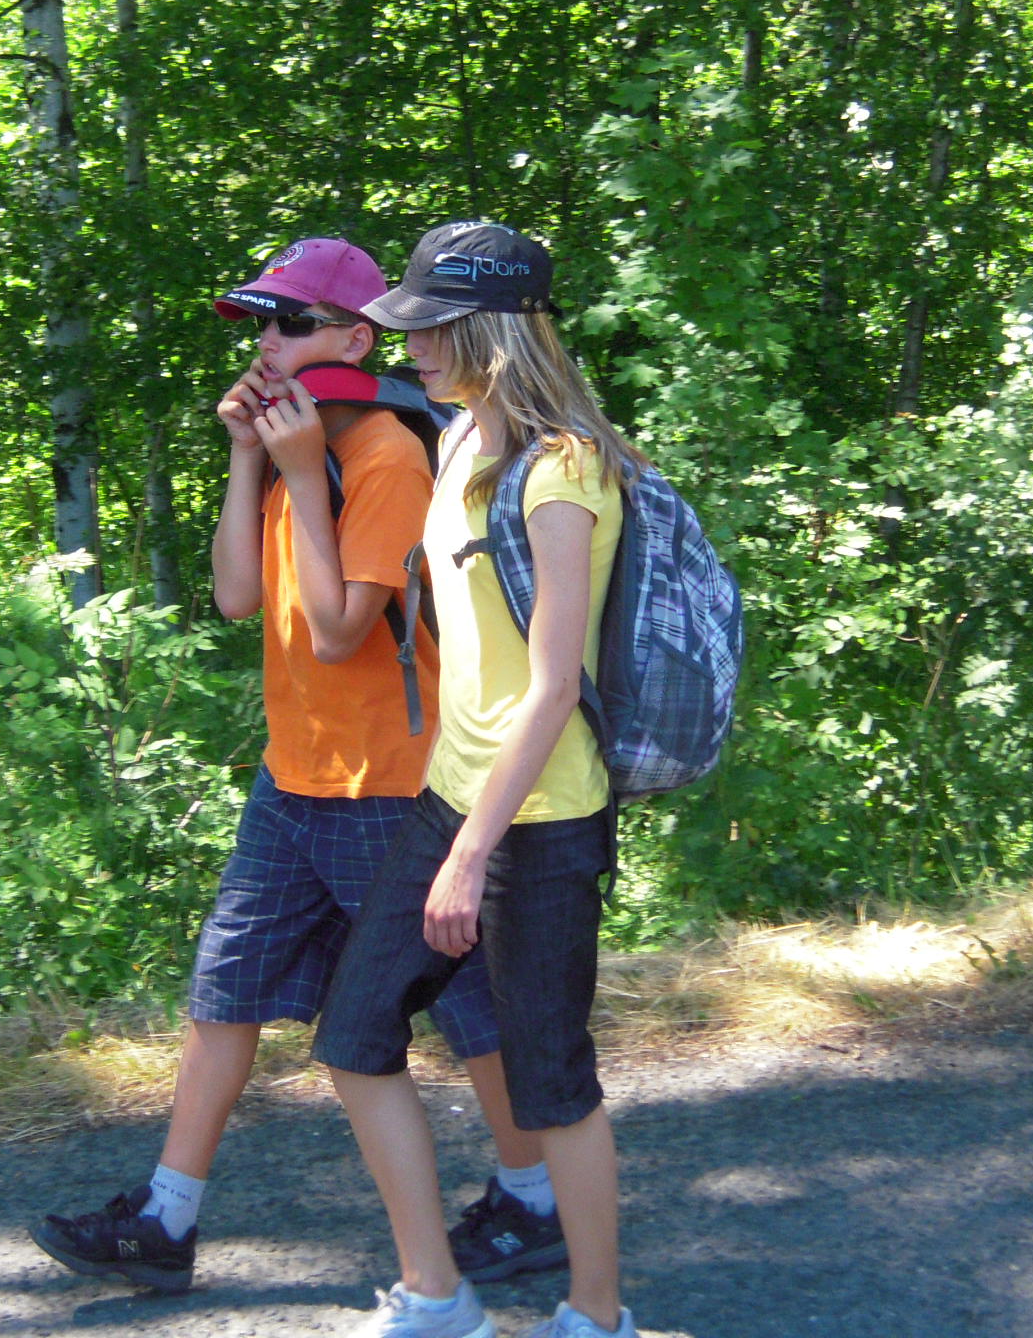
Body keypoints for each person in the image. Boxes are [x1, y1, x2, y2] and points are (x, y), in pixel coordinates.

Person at [32, 238, 559, 1291]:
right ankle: (166, 1218)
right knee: (225, 988)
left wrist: (301, 472)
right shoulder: (298, 447)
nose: (265, 342)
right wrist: (249, 458)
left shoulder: (384, 456)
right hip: (293, 777)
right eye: (257, 323)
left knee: (466, 1010)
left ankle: (533, 1200)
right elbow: (236, 599)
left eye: (287, 322)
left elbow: (335, 630)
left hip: (390, 786)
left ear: (356, 341)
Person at [311, 221, 640, 1338]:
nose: (409, 344)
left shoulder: (563, 470)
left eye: (428, 328)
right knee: (356, 1035)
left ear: (488, 332)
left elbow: (550, 688)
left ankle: (596, 1315)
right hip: (454, 795)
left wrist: (468, 855)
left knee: (551, 1084)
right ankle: (435, 1295)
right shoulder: (455, 440)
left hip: (538, 820)